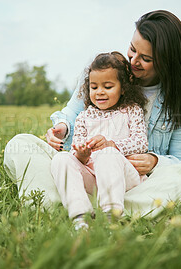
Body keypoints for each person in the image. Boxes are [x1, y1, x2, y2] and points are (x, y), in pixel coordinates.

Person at [4, 10, 181, 218]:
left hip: (134, 184)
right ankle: (100, 207)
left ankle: (84, 207)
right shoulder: (105, 72)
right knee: (20, 145)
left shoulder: (178, 102)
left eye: (145, 58)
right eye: (132, 49)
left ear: (166, 62)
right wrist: (62, 128)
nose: (133, 60)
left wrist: (155, 161)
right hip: (84, 172)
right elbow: (71, 113)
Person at [51, 52, 148, 229]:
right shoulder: (84, 117)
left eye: (108, 86)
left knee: (107, 153)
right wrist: (81, 154)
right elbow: (75, 153)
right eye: (94, 87)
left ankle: (112, 218)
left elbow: (141, 142)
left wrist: (112, 145)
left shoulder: (131, 111)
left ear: (123, 88)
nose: (100, 92)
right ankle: (80, 217)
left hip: (125, 177)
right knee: (61, 159)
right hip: (94, 179)